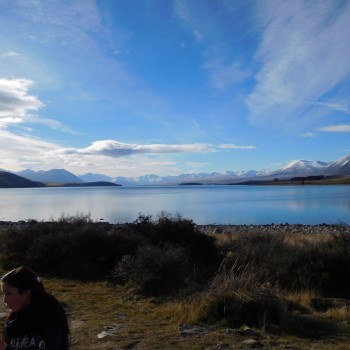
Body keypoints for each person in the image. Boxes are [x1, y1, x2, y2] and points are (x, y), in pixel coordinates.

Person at [0, 267, 69, 350]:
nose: (4, 300)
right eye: (4, 294)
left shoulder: (50, 317)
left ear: (26, 292)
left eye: (8, 293)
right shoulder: (12, 324)